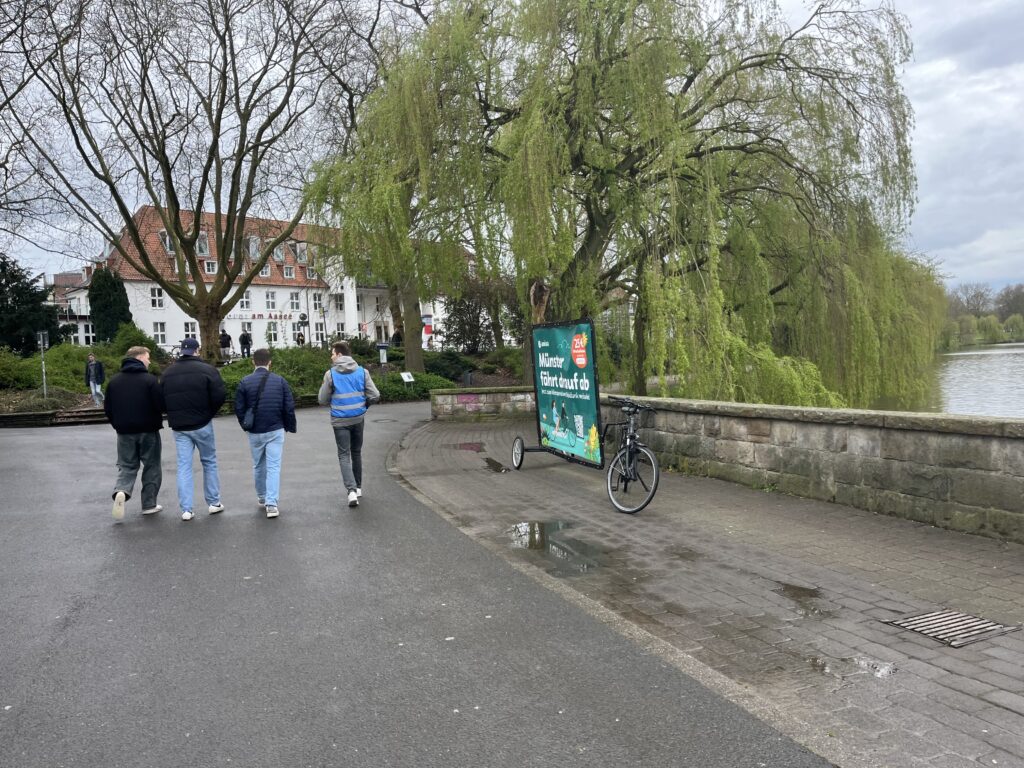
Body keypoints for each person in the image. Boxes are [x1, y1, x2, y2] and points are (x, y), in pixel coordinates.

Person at [160, 337, 227, 521]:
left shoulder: (167, 373)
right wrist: (209, 412)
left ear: (181, 351)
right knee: (209, 462)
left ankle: (186, 509)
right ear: (197, 351)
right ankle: (213, 503)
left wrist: (173, 414)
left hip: (180, 426)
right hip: (203, 423)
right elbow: (220, 394)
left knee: (184, 466)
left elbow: (160, 400)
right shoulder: (207, 370)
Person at [234, 348, 297, 518]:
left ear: (253, 362)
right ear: (270, 362)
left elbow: (239, 408)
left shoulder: (245, 382)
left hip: (255, 430)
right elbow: (288, 406)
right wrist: (289, 426)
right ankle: (271, 504)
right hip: (275, 428)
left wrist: (245, 426)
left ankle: (261, 496)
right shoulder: (280, 381)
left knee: (258, 465)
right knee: (273, 466)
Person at [104, 346, 164, 521]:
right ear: (138, 358)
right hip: (148, 430)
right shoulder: (150, 380)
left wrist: (117, 424)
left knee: (127, 465)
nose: (149, 361)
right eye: (147, 357)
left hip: (124, 431)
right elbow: (160, 405)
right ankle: (149, 504)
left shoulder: (114, 381)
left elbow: (108, 408)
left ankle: (121, 490)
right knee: (151, 466)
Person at [318, 340, 380, 508]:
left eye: (332, 353)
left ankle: (351, 491)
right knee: (356, 452)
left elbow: (322, 399)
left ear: (339, 354)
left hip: (340, 420)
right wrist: (364, 405)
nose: (331, 356)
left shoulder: (330, 374)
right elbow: (375, 394)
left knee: (344, 455)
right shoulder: (362, 372)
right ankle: (358, 487)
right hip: (358, 418)